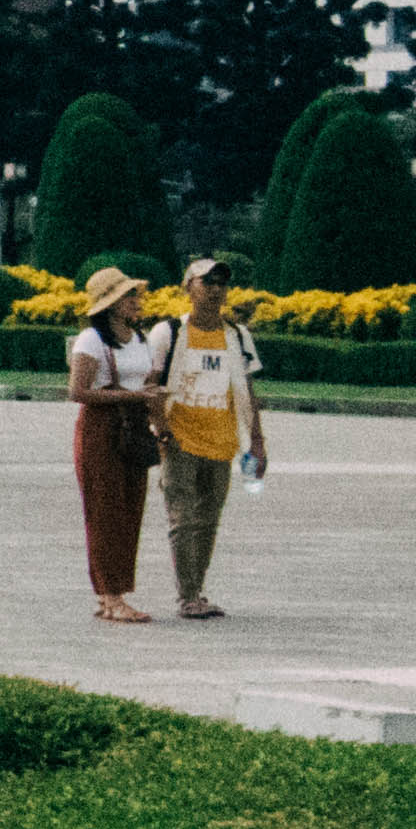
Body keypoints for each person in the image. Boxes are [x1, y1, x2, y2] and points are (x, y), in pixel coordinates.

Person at [157, 256, 268, 622]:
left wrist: (257, 442)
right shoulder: (169, 332)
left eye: (222, 283)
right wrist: (161, 430)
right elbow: (152, 384)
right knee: (183, 519)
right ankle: (188, 596)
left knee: (207, 521)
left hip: (222, 443)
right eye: (207, 282)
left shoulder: (237, 336)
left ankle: (197, 591)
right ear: (188, 287)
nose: (216, 290)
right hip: (179, 440)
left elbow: (247, 391)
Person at [62, 265, 165, 626]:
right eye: (129, 295)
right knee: (105, 512)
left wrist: (157, 417)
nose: (137, 300)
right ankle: (111, 595)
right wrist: (131, 395)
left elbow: (145, 383)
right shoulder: (92, 340)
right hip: (101, 428)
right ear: (110, 303)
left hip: (133, 426)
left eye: (136, 294)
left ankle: (112, 592)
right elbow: (78, 391)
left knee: (130, 510)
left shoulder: (139, 338)